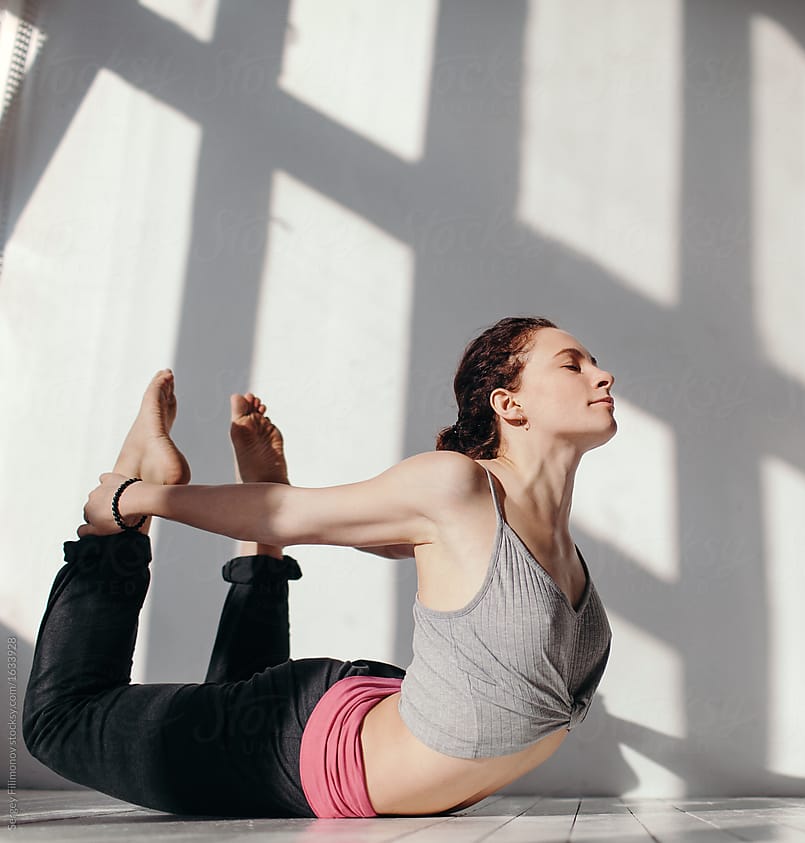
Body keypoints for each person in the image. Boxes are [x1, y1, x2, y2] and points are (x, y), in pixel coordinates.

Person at [22, 315, 617, 818]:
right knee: (61, 722)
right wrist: (137, 500)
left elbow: (365, 533)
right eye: (574, 364)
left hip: (339, 726)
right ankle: (122, 501)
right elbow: (294, 515)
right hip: (303, 747)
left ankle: (202, 512)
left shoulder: (546, 538)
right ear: (509, 404)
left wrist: (271, 496)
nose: (603, 374)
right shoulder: (454, 485)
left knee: (228, 697)